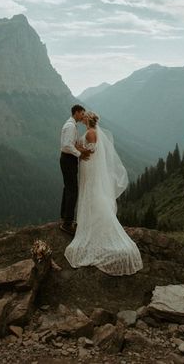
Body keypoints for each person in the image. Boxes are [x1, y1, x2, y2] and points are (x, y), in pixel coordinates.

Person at [64, 111, 143, 276]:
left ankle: (95, 221)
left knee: (92, 192)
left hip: (89, 166)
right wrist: (79, 148)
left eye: (85, 117)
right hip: (87, 166)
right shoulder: (91, 131)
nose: (83, 118)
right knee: (89, 192)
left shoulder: (92, 133)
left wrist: (78, 148)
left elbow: (91, 151)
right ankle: (91, 219)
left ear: (88, 120)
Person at [59, 104, 92, 235]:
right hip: (68, 159)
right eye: (82, 114)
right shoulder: (71, 126)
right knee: (73, 190)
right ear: (76, 113)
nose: (83, 116)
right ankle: (67, 223)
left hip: (67, 159)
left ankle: (64, 216)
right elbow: (67, 145)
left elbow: (69, 144)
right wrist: (80, 154)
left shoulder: (70, 125)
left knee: (68, 188)